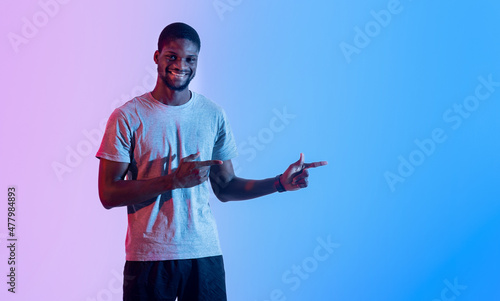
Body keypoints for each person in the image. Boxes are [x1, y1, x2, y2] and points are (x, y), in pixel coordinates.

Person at [96, 22, 327, 301]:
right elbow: (108, 194)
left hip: (204, 254)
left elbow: (226, 187)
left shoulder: (212, 114)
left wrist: (279, 183)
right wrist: (173, 180)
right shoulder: (127, 117)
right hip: (148, 257)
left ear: (197, 61)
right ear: (157, 57)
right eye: (172, 56)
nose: (180, 65)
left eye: (190, 59)